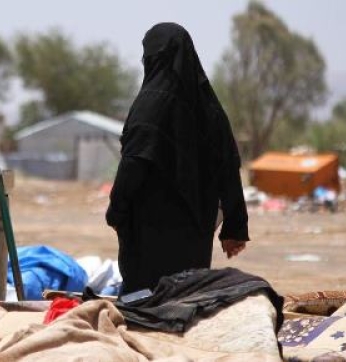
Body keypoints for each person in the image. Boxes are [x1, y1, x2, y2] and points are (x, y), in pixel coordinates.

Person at [106, 23, 249, 295]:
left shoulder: (150, 105)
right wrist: (234, 226)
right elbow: (229, 168)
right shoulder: (210, 109)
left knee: (145, 303)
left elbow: (133, 164)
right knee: (187, 300)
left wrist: (117, 211)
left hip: (149, 233)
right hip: (195, 233)